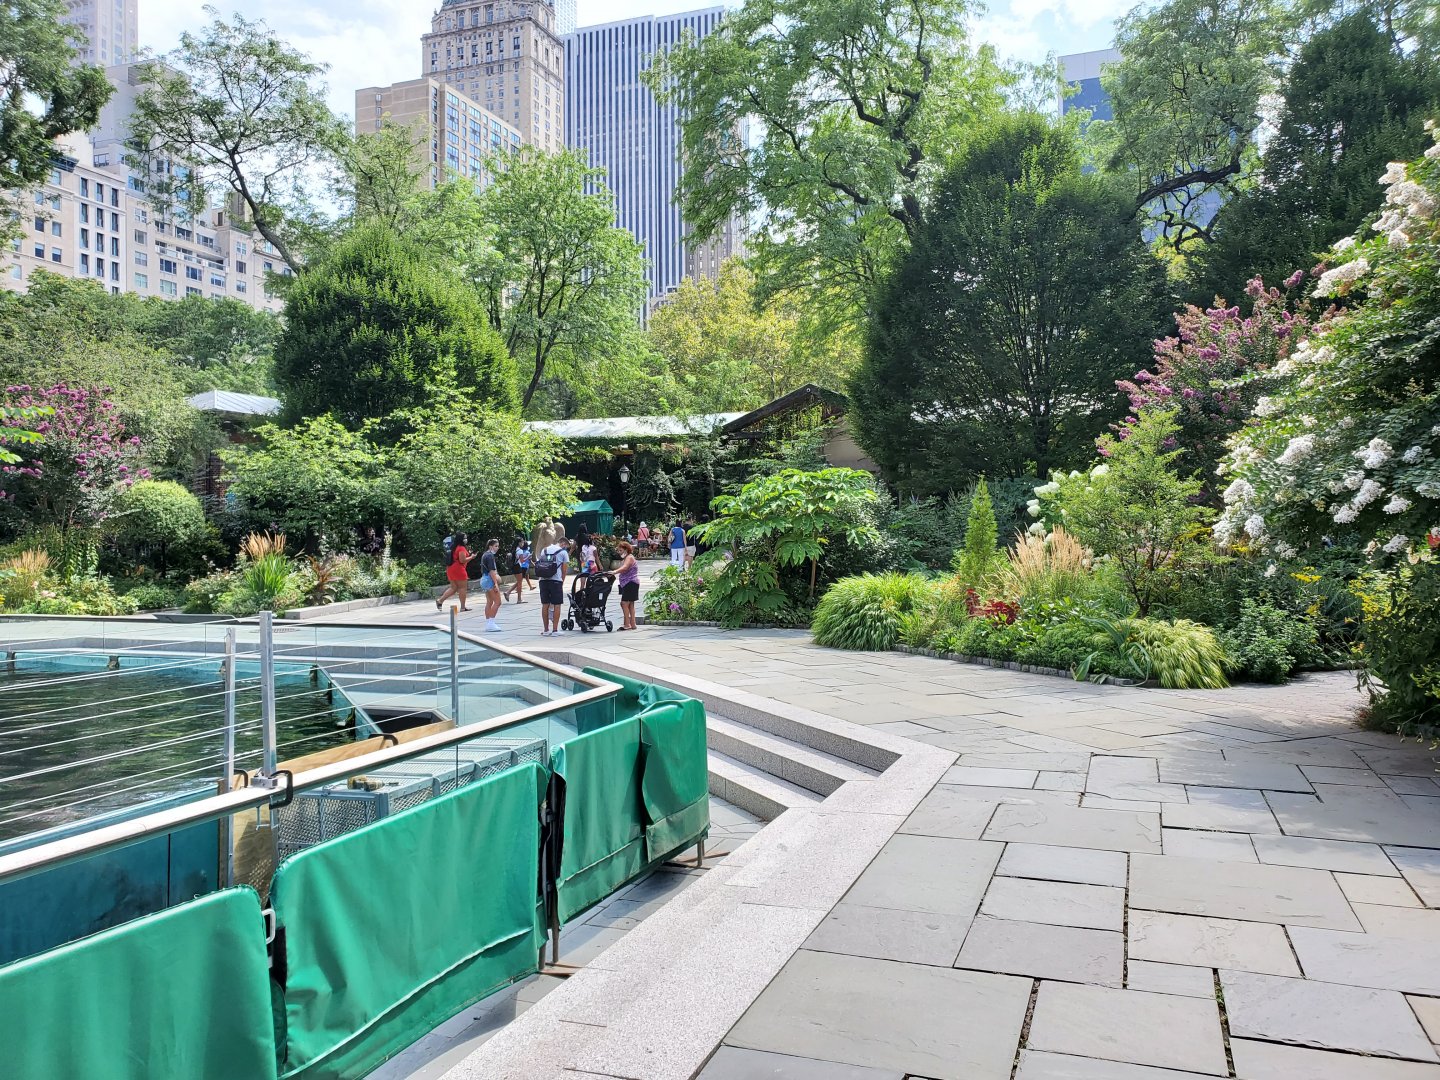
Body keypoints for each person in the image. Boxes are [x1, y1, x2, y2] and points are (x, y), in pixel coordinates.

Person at [534, 533, 570, 636]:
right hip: (555, 581)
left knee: (545, 605)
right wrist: (562, 581)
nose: (566, 548)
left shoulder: (544, 550)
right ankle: (555, 630)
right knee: (557, 605)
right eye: (566, 546)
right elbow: (564, 570)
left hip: (543, 580)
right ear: (563, 543)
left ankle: (546, 630)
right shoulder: (563, 553)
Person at [436, 532, 475, 611]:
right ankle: (463, 607)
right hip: (459, 569)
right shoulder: (461, 548)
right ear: (460, 539)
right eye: (464, 538)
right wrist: (472, 557)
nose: (466, 539)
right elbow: (462, 560)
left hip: (450, 568)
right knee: (462, 588)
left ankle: (440, 601)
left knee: (453, 588)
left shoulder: (454, 547)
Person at [478, 538, 504, 632]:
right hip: (489, 580)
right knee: (497, 602)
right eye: (495, 546)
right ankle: (491, 624)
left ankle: (489, 622)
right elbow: (491, 571)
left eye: (498, 546)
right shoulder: (490, 556)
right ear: (490, 546)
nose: (497, 548)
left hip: (484, 580)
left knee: (489, 602)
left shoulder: (485, 554)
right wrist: (496, 583)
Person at [614, 540, 640, 630]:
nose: (619, 552)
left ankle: (627, 624)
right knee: (630, 604)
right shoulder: (627, 558)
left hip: (630, 582)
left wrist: (614, 572)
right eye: (618, 550)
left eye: (621, 550)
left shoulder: (629, 557)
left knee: (624, 603)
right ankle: (633, 624)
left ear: (626, 550)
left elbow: (625, 568)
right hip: (629, 583)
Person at [507, 538, 533, 603]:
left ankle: (509, 593)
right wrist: (528, 557)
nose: (523, 544)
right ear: (519, 543)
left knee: (519, 582)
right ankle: (518, 598)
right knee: (519, 583)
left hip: (513, 567)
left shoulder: (514, 549)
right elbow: (522, 561)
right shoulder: (520, 551)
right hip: (518, 567)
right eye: (522, 542)